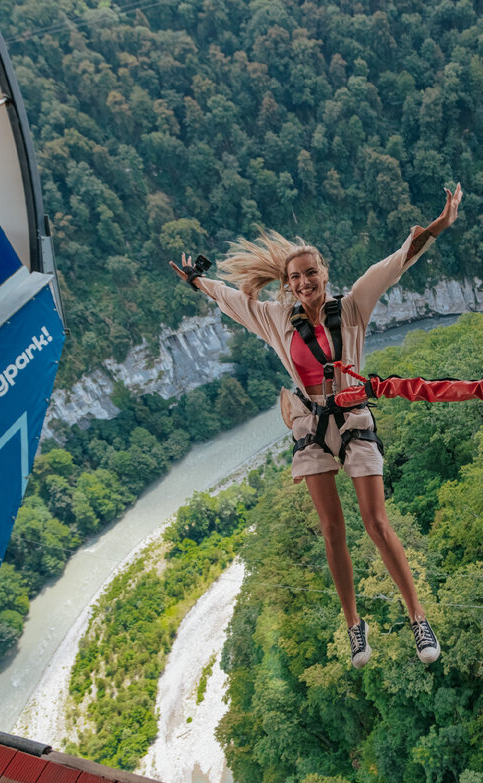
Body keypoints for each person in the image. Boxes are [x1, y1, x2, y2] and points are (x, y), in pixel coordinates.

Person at [170, 184, 463, 667]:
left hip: (352, 416)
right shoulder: (273, 318)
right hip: (310, 421)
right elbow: (227, 298)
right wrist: (195, 282)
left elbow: (396, 263)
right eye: (296, 277)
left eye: (311, 273)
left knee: (375, 522)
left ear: (324, 274)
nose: (305, 282)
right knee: (332, 530)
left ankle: (417, 617)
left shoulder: (351, 307)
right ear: (287, 285)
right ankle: (354, 624)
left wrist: (437, 226)